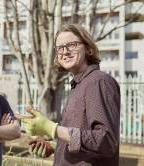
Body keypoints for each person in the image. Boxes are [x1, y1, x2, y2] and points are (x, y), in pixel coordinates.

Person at [20, 24, 120, 166]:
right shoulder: (79, 84)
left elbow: (105, 141)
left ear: (89, 49)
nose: (64, 51)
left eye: (72, 45)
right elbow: (85, 138)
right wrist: (57, 147)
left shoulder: (98, 81)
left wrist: (51, 128)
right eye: (60, 48)